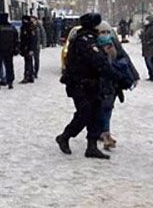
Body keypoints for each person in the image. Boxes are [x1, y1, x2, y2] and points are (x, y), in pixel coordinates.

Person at [55, 13, 132, 160]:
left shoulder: (91, 39)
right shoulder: (86, 40)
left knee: (96, 113)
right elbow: (100, 63)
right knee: (85, 113)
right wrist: (120, 78)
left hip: (92, 83)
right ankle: (65, 136)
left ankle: (92, 146)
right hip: (80, 84)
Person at [95, 21, 139, 149]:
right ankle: (102, 133)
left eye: (108, 32)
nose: (105, 35)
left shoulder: (114, 43)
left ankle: (105, 133)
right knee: (102, 108)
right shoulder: (94, 45)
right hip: (100, 82)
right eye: (102, 32)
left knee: (108, 108)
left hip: (113, 82)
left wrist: (133, 75)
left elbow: (124, 58)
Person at [0, 13, 18, 90]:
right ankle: (10, 82)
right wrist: (15, 48)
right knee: (9, 66)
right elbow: (16, 39)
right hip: (9, 50)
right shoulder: (12, 28)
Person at [19, 15, 38, 84]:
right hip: (25, 48)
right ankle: (30, 76)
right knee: (28, 61)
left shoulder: (30, 28)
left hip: (28, 48)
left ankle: (27, 76)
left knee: (28, 62)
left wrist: (31, 49)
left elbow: (33, 39)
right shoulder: (24, 27)